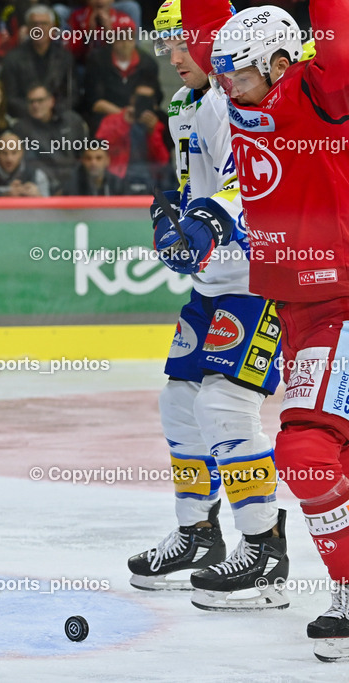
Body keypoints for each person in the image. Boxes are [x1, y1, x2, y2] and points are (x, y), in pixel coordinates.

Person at [181, 0, 349, 658]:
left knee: (306, 453)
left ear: (283, 64)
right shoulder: (240, 100)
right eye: (218, 77)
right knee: (317, 454)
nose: (225, 90)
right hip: (296, 309)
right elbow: (203, 31)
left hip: (341, 301)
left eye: (238, 78)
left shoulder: (320, 95)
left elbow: (332, 30)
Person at [126, 0, 288, 614]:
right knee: (180, 403)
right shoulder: (186, 106)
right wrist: (172, 207)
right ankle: (198, 533)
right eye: (164, 45)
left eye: (179, 43)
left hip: (256, 280)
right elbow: (203, 182)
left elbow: (252, 184)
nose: (171, 58)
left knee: (226, 405)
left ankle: (265, 551)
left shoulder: (231, 102)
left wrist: (204, 225)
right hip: (212, 283)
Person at [0, 5, 77, 118]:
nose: (39, 28)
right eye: (34, 24)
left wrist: (51, 112)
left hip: (57, 117)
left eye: (44, 24)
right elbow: (9, 97)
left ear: (52, 28)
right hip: (24, 118)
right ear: (28, 28)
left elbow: (72, 95)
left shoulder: (65, 58)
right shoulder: (12, 59)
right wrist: (36, 110)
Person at [94, 82, 171, 194]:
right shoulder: (113, 120)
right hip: (116, 176)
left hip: (150, 179)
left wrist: (153, 133)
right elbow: (101, 148)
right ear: (132, 99)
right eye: (139, 98)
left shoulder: (157, 124)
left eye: (147, 99)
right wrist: (123, 123)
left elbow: (163, 162)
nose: (142, 102)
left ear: (154, 103)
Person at [0, 130, 50, 197]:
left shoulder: (38, 176)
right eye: (4, 153)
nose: (9, 159)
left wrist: (38, 197)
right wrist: (6, 198)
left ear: (21, 153)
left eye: (14, 153)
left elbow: (49, 211)